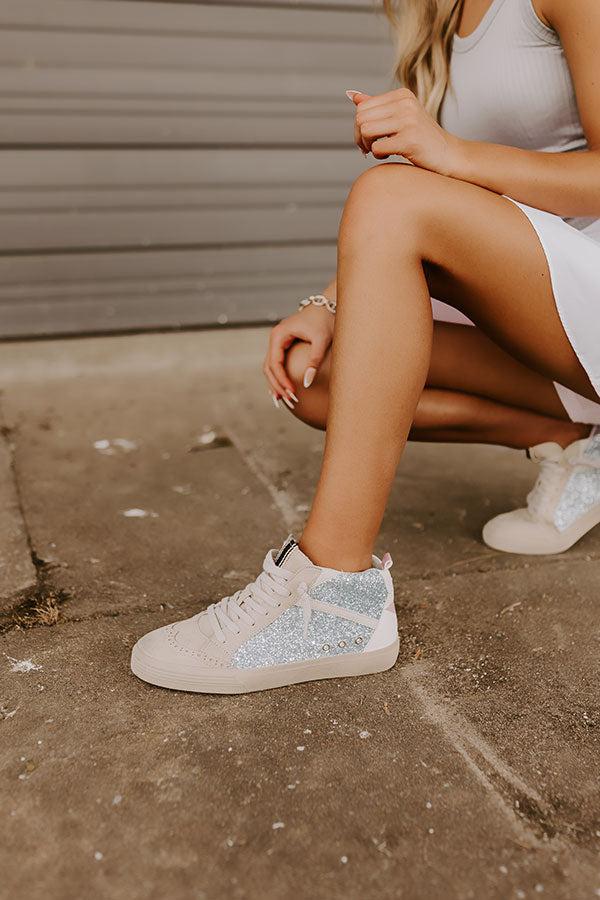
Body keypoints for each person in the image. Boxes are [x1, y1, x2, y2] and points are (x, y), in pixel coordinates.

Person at [131, 0, 600, 694]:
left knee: (388, 196)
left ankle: (334, 591)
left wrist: (451, 152)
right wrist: (327, 304)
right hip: (547, 304)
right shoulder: (437, 17)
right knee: (313, 375)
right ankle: (577, 442)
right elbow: (439, 201)